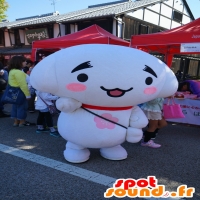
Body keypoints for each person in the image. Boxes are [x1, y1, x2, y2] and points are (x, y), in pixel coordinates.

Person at [8, 56, 31, 127]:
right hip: (20, 92)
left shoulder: (12, 71)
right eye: (24, 61)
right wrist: (28, 95)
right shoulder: (19, 72)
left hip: (14, 92)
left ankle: (16, 122)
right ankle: (22, 122)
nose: (26, 62)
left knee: (15, 106)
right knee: (22, 107)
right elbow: (23, 85)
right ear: (19, 62)